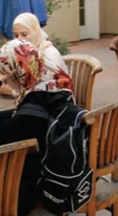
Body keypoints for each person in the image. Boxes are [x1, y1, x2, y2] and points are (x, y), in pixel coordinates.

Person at [0, 39, 73, 215]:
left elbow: (16, 127)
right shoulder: (52, 89)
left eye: (6, 74)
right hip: (43, 172)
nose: (5, 79)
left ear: (19, 73)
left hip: (17, 195)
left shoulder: (27, 118)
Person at [0, 12, 68, 98]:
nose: (20, 39)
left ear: (35, 32)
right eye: (16, 35)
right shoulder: (23, 54)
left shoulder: (49, 55)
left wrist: (12, 92)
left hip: (52, 107)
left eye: (24, 34)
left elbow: (43, 94)